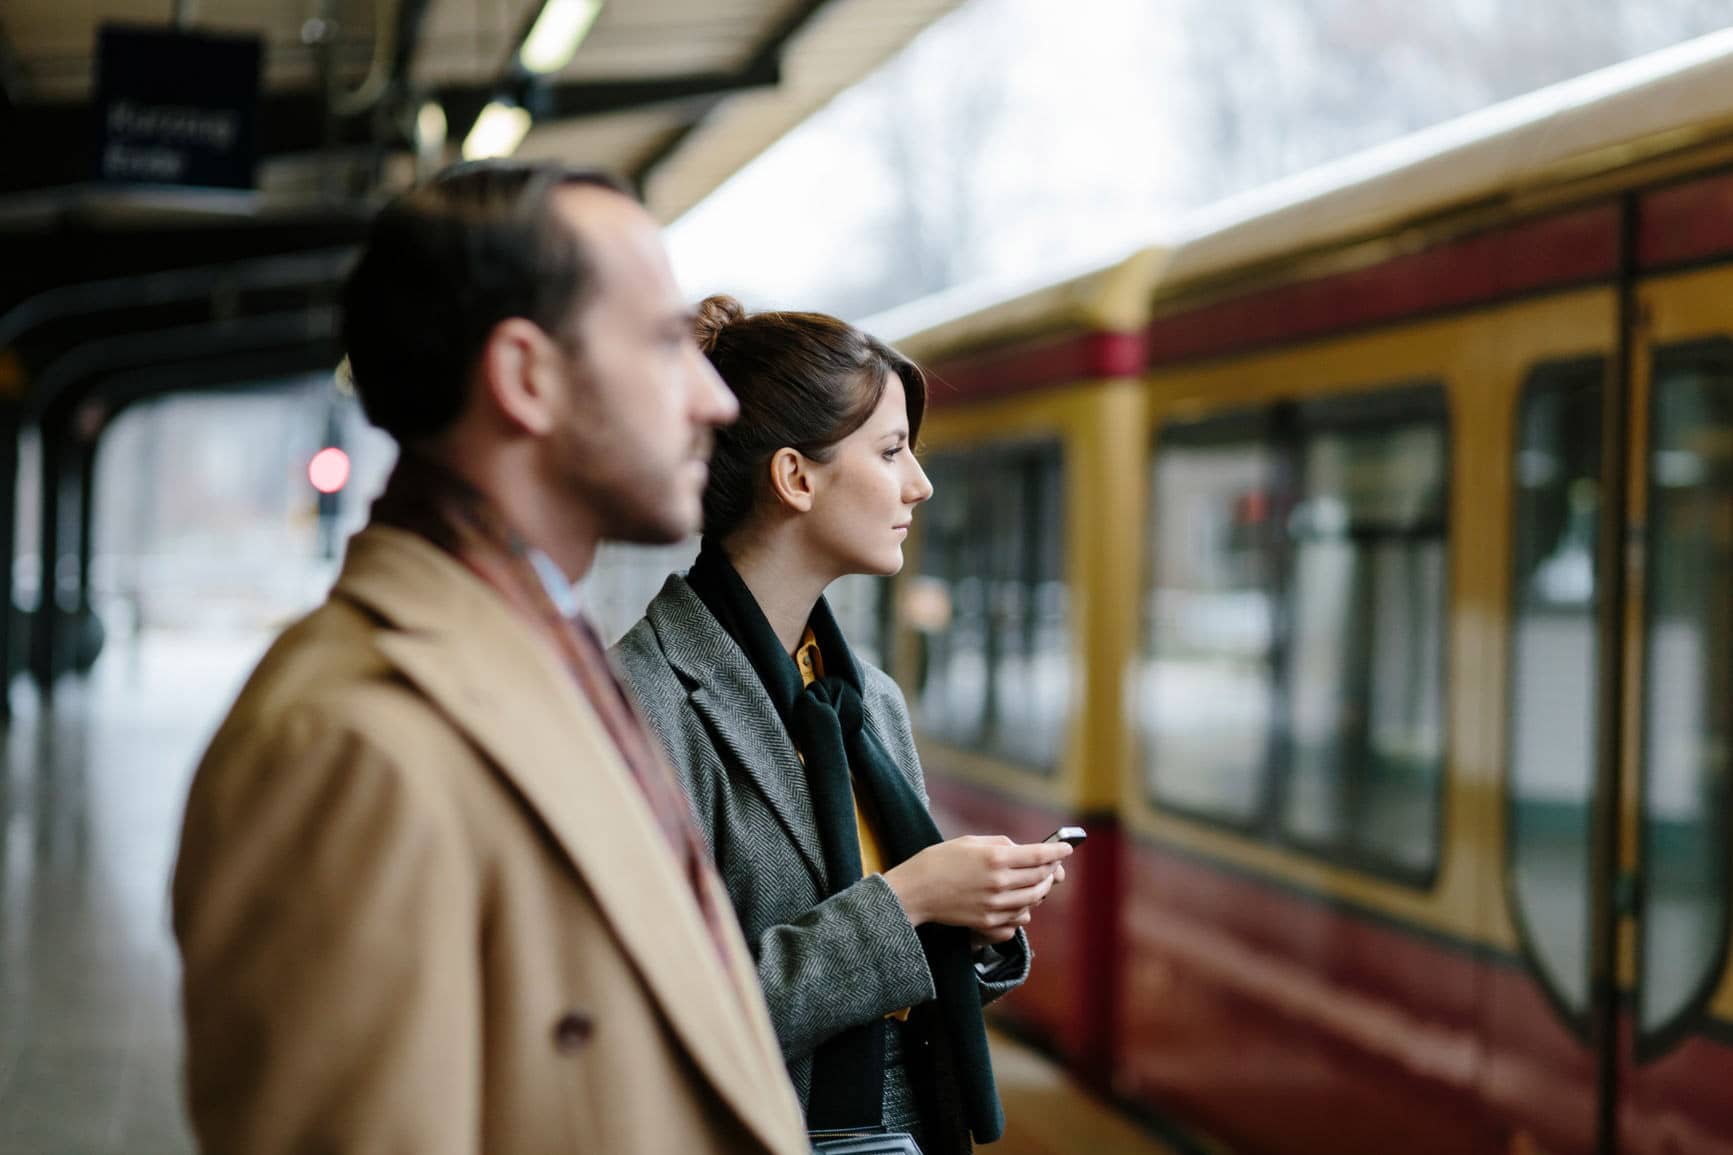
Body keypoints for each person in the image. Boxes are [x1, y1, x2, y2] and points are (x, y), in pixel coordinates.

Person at [171, 166, 809, 1155]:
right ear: (525, 377)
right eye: (662, 343)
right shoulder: (347, 738)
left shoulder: (540, 651)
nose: (714, 399)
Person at [613, 295, 1072, 1154]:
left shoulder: (866, 701)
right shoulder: (641, 700)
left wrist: (975, 924)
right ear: (795, 477)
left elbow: (902, 993)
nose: (919, 484)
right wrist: (909, 901)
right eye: (891, 450)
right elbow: (657, 1014)